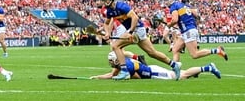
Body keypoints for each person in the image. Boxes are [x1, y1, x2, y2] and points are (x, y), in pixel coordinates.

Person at [99, 0, 182, 80]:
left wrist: (130, 32)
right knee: (152, 53)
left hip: (137, 29)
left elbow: (135, 17)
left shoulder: (121, 6)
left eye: (104, 0)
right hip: (135, 30)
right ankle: (174, 64)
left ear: (109, 0)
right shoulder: (110, 11)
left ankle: (124, 71)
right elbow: (106, 23)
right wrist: (107, 33)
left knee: (115, 46)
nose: (102, 2)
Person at [164, 0, 228, 62]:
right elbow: (196, 15)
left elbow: (175, 20)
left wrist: (168, 25)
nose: (166, 1)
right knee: (175, 49)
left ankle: (218, 50)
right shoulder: (183, 5)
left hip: (188, 31)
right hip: (189, 30)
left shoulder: (174, 6)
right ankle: (176, 69)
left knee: (194, 54)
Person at [90, 51, 221, 80]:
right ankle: (201, 70)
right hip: (151, 70)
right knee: (184, 74)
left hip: (155, 74)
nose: (111, 63)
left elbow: (137, 78)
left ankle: (209, 67)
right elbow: (112, 74)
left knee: (183, 75)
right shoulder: (122, 64)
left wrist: (120, 78)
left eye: (112, 61)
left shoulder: (127, 66)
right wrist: (97, 77)